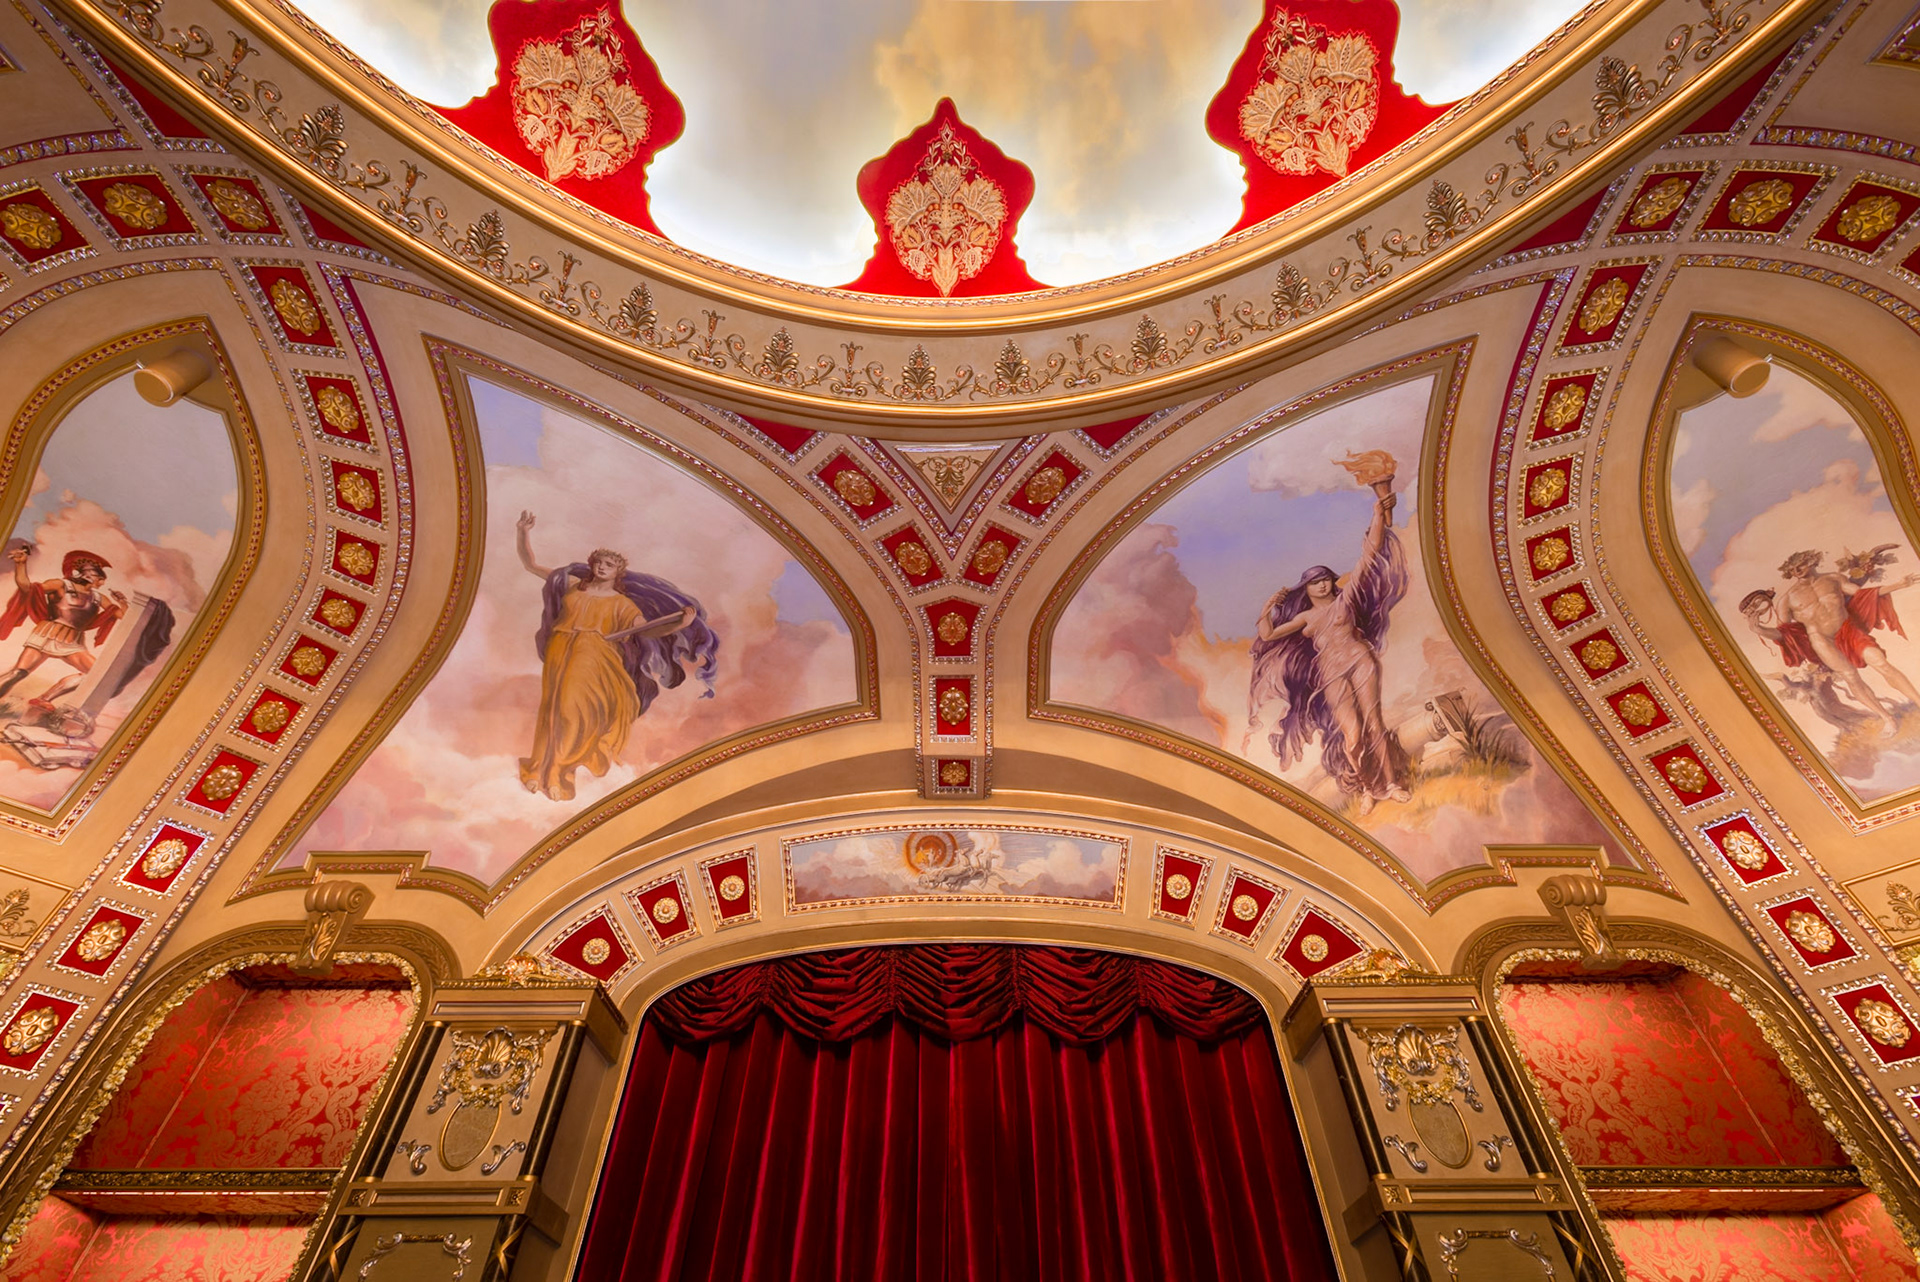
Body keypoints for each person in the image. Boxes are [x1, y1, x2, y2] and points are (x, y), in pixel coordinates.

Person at [516, 512, 717, 801]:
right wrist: (522, 532)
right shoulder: (572, 586)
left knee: (570, 711)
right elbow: (530, 565)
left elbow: (648, 630)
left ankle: (560, 771)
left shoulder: (623, 605)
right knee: (552, 710)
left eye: (609, 564)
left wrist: (679, 624)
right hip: (561, 648)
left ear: (617, 572)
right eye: (599, 562)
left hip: (594, 655)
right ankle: (538, 770)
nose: (602, 567)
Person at [1248, 484, 1412, 815]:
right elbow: (1269, 634)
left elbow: (1369, 554)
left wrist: (1378, 512)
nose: (1322, 584)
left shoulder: (1346, 599)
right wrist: (1266, 608)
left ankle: (1392, 784)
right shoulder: (1306, 617)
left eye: (1325, 579)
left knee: (1374, 723)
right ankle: (1369, 787)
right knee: (1353, 735)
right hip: (1331, 673)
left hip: (1360, 660)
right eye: (1315, 582)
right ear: (1306, 588)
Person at [1766, 550, 1920, 737]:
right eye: (1792, 569)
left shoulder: (1833, 578)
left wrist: (1898, 585)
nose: (1797, 571)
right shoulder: (1787, 599)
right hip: (1821, 640)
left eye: (1800, 565)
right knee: (1850, 676)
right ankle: (1887, 718)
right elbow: (1783, 633)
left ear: (1812, 561)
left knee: (1881, 662)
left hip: (1848, 630)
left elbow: (1863, 594)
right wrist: (1757, 628)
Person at [0, 545, 126, 706]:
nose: (102, 582)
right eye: (99, 578)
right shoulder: (61, 585)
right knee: (18, 673)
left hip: (72, 642)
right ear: (87, 575)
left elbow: (122, 616)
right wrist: (20, 564)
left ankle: (43, 700)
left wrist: (122, 602)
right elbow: (27, 588)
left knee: (99, 674)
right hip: (47, 635)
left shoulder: (98, 597)